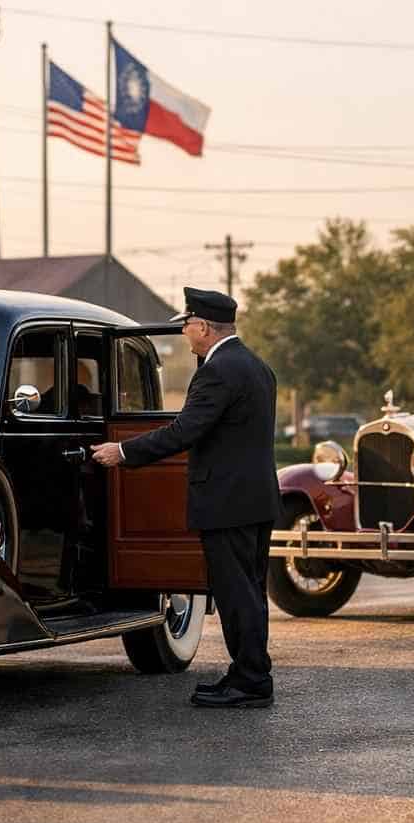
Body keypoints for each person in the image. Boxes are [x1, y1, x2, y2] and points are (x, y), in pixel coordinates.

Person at [90, 287, 280, 709]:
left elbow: (184, 431)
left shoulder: (218, 371)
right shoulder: (256, 366)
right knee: (249, 592)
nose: (184, 332)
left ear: (204, 327)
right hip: (254, 499)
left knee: (235, 594)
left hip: (227, 503)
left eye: (187, 325)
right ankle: (250, 671)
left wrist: (122, 451)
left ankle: (250, 681)